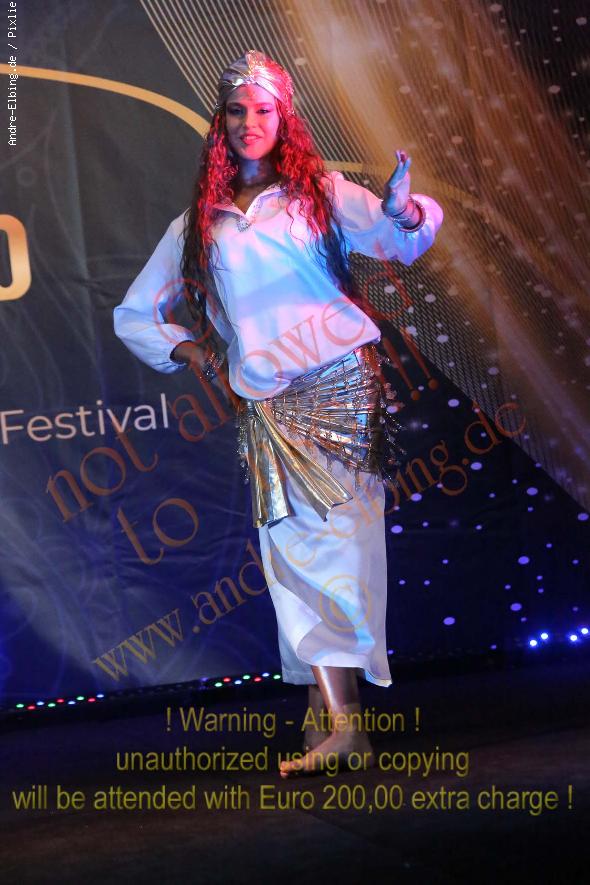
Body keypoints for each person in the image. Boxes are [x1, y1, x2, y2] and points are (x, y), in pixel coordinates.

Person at [113, 49, 443, 778]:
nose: (249, 122)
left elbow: (399, 240)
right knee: (292, 552)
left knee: (345, 545)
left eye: (263, 110)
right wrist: (196, 353)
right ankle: (334, 717)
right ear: (221, 123)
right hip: (268, 404)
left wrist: (399, 209)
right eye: (237, 111)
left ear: (283, 117)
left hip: (342, 387)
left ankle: (338, 717)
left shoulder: (319, 193)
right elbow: (134, 314)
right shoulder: (201, 224)